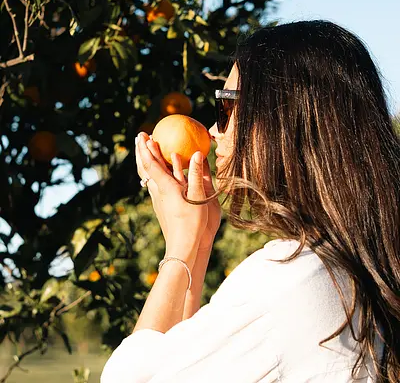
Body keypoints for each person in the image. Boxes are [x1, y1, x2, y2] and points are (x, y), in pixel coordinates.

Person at [101, 20, 400, 382]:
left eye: (227, 107)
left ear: (279, 120)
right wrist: (200, 242)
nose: (214, 130)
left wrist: (180, 246)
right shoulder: (354, 269)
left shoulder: (288, 281)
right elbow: (180, 359)